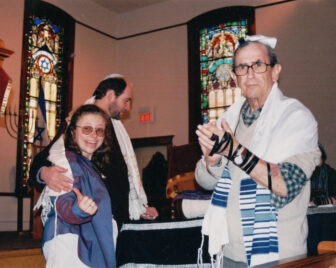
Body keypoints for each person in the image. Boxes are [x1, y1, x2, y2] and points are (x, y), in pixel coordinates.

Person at [195, 35, 321, 267]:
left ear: (275, 72)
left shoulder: (296, 118)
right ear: (234, 77)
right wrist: (211, 161)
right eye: (242, 67)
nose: (250, 73)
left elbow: (285, 185)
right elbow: (204, 182)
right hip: (230, 252)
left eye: (258, 65)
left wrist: (234, 151)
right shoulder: (227, 121)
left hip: (278, 254)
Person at [31, 74, 158, 232]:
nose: (128, 108)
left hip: (115, 216)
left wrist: (138, 206)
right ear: (111, 95)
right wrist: (43, 172)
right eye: (126, 100)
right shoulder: (80, 121)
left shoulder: (116, 126)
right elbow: (41, 159)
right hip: (91, 219)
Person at [42, 104, 116, 267]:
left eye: (99, 130)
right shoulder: (67, 161)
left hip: (87, 243)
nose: (94, 136)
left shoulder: (88, 163)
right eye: (87, 129)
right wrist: (78, 209)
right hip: (73, 246)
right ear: (73, 131)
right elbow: (61, 202)